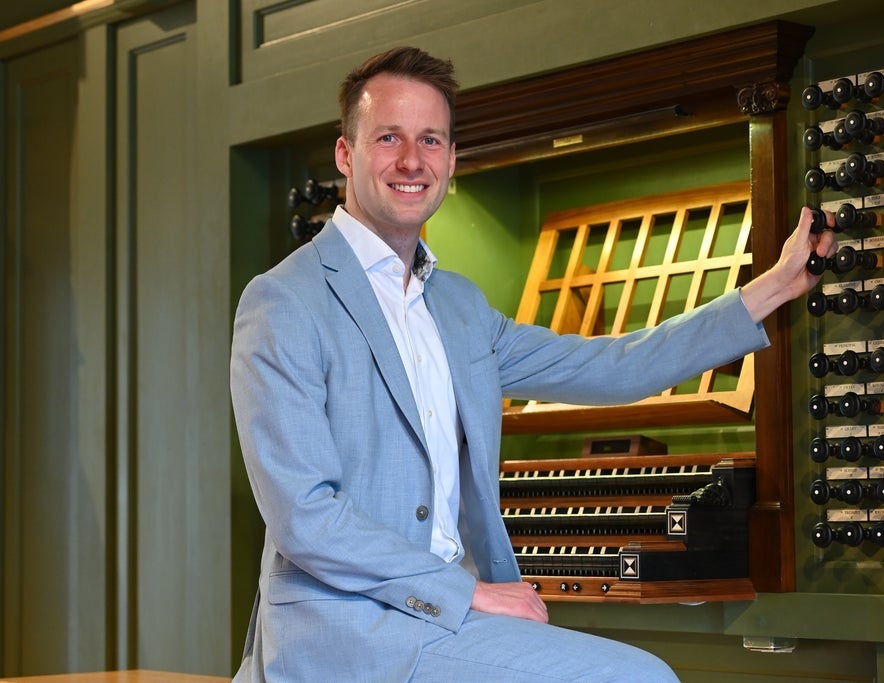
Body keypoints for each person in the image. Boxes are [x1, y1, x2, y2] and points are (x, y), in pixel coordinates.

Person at [230, 46, 836, 683]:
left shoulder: (458, 305)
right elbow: (306, 516)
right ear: (345, 154)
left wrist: (768, 289)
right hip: (348, 632)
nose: (412, 160)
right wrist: (467, 593)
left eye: (431, 140)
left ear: (451, 158)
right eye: (389, 137)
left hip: (446, 623)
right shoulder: (285, 300)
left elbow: (612, 367)